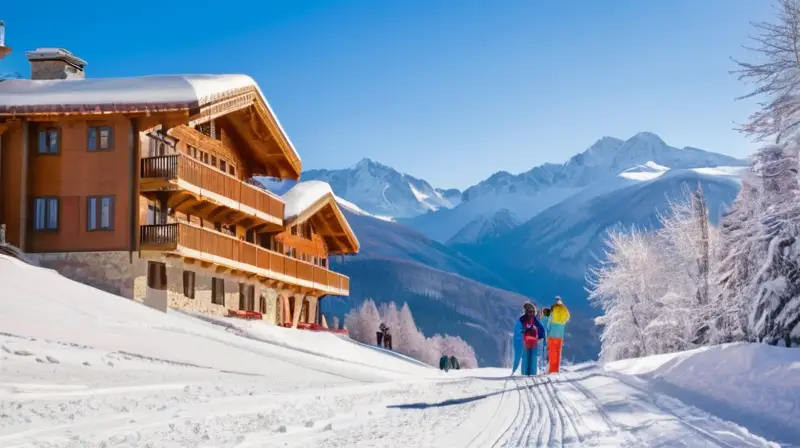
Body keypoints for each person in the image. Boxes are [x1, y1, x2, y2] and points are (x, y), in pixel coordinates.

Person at [512, 302, 546, 376]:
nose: (532, 313)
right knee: (532, 356)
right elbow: (541, 330)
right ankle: (532, 372)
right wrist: (540, 337)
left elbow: (518, 331)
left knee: (526, 356)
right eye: (531, 311)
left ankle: (525, 372)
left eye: (532, 311)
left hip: (526, 340)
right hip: (533, 341)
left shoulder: (522, 319)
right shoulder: (534, 320)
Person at [547, 296, 571, 373]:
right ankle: (556, 369)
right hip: (560, 336)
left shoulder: (553, 312)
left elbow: (548, 324)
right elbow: (567, 319)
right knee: (558, 353)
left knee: (552, 353)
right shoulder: (564, 311)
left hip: (551, 335)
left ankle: (551, 370)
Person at [540, 307, 551, 372]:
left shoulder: (542, 320)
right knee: (548, 353)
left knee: (543, 353)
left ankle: (542, 368)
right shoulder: (550, 320)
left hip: (542, 338)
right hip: (550, 338)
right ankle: (547, 367)